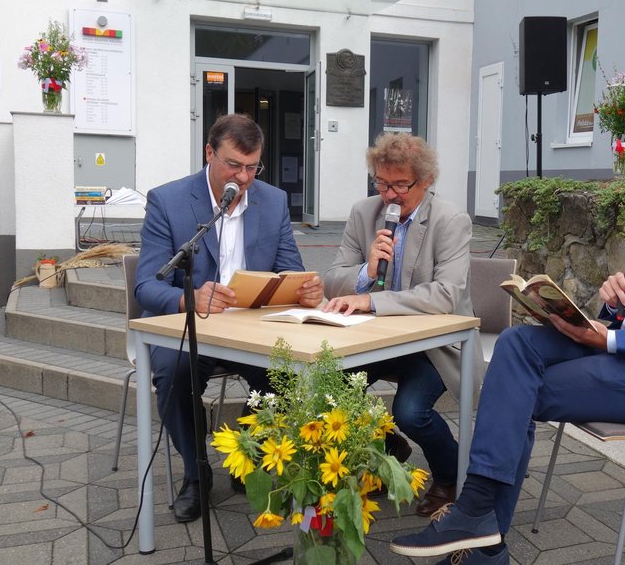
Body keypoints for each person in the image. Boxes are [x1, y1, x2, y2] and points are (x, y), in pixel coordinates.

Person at [390, 122, 625, 564]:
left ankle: (479, 525)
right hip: (624, 347)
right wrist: (613, 300)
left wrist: (611, 340)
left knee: (516, 393)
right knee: (517, 342)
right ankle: (478, 523)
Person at [135, 113, 324, 523]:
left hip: (253, 328)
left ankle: (246, 451)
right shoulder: (167, 200)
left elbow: (290, 270)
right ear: (209, 153)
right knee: (173, 373)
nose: (244, 177)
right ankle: (196, 472)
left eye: (253, 167)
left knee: (291, 372)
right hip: (192, 325)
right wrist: (189, 298)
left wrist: (305, 290)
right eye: (234, 165)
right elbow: (146, 285)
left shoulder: (273, 201)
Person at [323, 132, 485, 517]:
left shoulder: (449, 220)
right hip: (376, 340)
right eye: (382, 183)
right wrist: (366, 272)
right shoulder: (364, 213)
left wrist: (372, 300)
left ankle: (451, 474)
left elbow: (445, 295)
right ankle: (387, 448)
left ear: (426, 181)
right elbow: (331, 280)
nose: (390, 196)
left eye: (400, 185)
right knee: (329, 388)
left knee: (410, 411)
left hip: (434, 345)